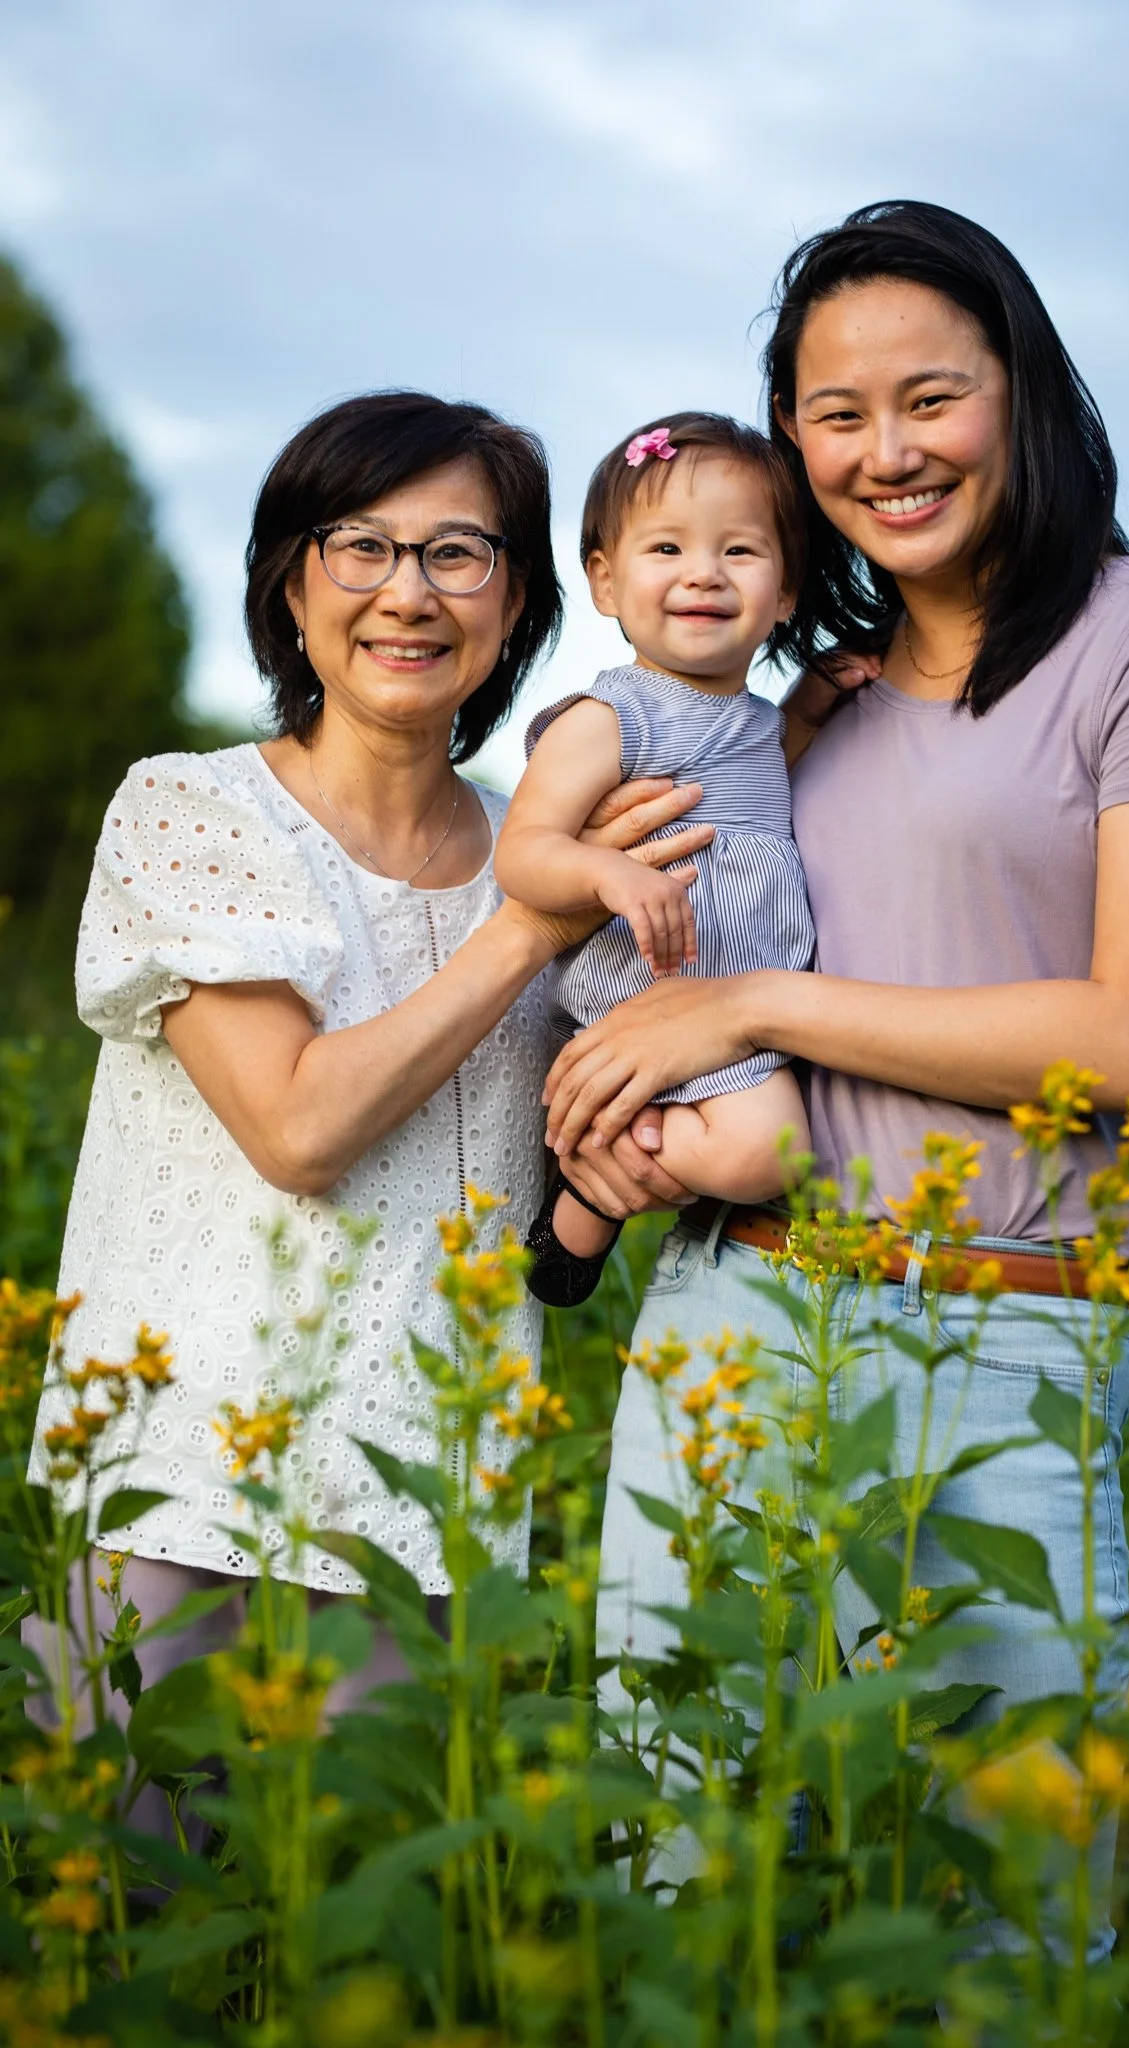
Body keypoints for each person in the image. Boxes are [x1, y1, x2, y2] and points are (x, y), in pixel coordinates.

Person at [550, 203, 1129, 1943]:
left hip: (1007, 1331)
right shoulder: (802, 700)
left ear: (1021, 394)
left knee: (1008, 1911)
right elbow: (667, 954)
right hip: (734, 1314)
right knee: (674, 1876)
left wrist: (769, 1012)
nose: (885, 452)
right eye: (834, 414)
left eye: (929, 398)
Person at [26, 390, 713, 1709]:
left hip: (433, 1512)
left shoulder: (556, 857)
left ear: (516, 607)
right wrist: (530, 924)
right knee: (129, 1904)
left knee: (378, 1903)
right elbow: (297, 1131)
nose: (410, 592)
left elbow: (606, 1113)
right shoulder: (189, 809)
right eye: (362, 546)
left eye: (459, 553)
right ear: (293, 588)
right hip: (172, 1494)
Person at [496, 412, 819, 1307]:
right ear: (604, 581)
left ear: (787, 590)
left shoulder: (761, 719)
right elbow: (524, 854)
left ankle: (580, 1211)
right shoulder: (611, 719)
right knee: (772, 1153)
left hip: (729, 1002)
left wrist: (828, 690)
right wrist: (610, 873)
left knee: (772, 1141)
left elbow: (774, 755)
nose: (702, 574)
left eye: (740, 553)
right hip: (647, 994)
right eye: (666, 548)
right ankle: (590, 1168)